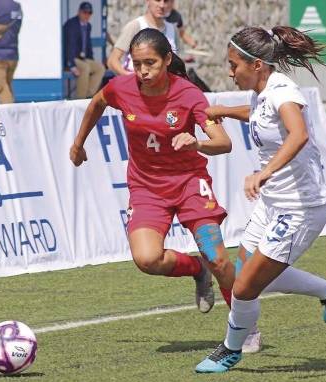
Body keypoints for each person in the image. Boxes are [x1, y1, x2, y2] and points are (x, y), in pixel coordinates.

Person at [194, 25, 326, 373]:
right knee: (248, 271)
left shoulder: (283, 90)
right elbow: (259, 116)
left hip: (299, 209)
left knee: (245, 286)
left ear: (256, 65)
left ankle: (231, 349)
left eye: (233, 64)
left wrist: (263, 173)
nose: (229, 71)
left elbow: (298, 134)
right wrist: (224, 109)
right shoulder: (262, 90)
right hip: (272, 204)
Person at [71, 28, 237, 317]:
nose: (143, 71)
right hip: (146, 188)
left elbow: (224, 142)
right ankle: (197, 270)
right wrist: (78, 143)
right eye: (137, 64)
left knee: (219, 259)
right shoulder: (121, 88)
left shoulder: (188, 94)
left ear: (167, 59)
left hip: (189, 183)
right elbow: (97, 102)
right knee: (147, 259)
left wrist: (196, 142)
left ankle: (243, 327)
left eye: (151, 63)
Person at [107, 0, 179, 75]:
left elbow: (176, 63)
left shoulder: (173, 30)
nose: (162, 5)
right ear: (147, 1)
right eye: (157, 0)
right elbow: (112, 61)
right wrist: (130, 78)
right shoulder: (135, 26)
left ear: (172, 3)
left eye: (166, 1)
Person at [63, 2, 105, 99]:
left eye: (89, 13)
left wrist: (91, 59)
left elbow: (88, 45)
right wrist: (72, 65)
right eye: (84, 12)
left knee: (100, 68)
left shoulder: (88, 26)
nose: (87, 15)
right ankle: (80, 98)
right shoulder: (71, 24)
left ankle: (88, 95)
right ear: (79, 12)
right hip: (71, 58)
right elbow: (69, 45)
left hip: (82, 58)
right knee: (85, 68)